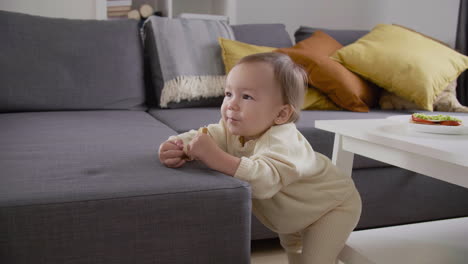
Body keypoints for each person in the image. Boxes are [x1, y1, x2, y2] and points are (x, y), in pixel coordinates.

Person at [158, 52, 362, 264]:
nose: (231, 105)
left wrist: (214, 156)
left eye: (246, 97)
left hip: (330, 207)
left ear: (281, 115)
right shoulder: (230, 129)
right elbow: (203, 136)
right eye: (228, 94)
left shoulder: (283, 140)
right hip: (293, 212)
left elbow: (264, 181)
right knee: (294, 254)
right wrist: (176, 145)